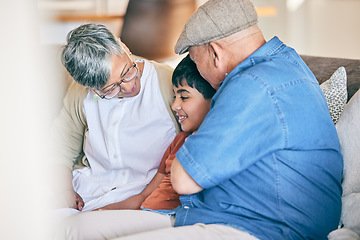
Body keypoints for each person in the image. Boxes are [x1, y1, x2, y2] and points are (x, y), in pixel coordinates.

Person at [54, 54, 216, 240]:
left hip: (177, 214)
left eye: (184, 97)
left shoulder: (212, 141)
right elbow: (144, 197)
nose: (174, 105)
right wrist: (101, 211)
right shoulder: (177, 143)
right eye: (109, 88)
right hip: (145, 207)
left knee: (75, 228)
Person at [51, 23, 180, 216]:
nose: (127, 88)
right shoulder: (80, 94)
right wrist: (64, 189)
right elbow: (60, 148)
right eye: (110, 89)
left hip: (144, 196)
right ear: (91, 88)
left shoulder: (169, 83)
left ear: (124, 47)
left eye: (127, 71)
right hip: (88, 192)